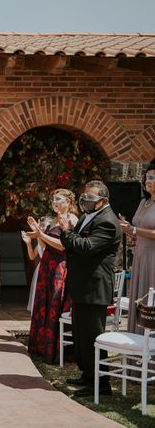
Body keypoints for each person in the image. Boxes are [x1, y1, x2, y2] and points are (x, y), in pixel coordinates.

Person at [59, 180, 121, 397]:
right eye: (83, 197)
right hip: (80, 284)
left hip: (95, 287)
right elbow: (73, 244)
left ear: (103, 200)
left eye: (90, 198)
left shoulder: (108, 222)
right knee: (81, 335)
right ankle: (87, 375)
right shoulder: (87, 216)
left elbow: (85, 247)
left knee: (94, 336)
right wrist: (70, 236)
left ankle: (101, 383)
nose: (85, 201)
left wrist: (66, 231)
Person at [25, 189, 79, 364]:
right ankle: (41, 347)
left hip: (59, 267)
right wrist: (37, 233)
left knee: (55, 302)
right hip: (47, 265)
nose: (54, 202)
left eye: (58, 199)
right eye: (52, 199)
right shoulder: (53, 220)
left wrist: (41, 235)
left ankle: (54, 349)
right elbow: (44, 245)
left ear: (68, 202)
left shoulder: (72, 220)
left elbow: (64, 246)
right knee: (44, 302)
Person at [119, 159, 155, 334]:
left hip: (153, 257)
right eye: (147, 177)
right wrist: (128, 230)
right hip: (140, 256)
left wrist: (134, 229)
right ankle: (136, 343)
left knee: (151, 298)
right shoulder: (143, 202)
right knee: (139, 298)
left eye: (153, 178)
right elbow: (138, 230)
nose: (148, 180)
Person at [22, 216, 50, 313]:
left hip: (47, 269)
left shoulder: (49, 240)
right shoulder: (40, 239)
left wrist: (38, 235)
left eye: (43, 226)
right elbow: (32, 256)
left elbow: (45, 252)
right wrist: (28, 243)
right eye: (40, 225)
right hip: (39, 269)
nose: (41, 228)